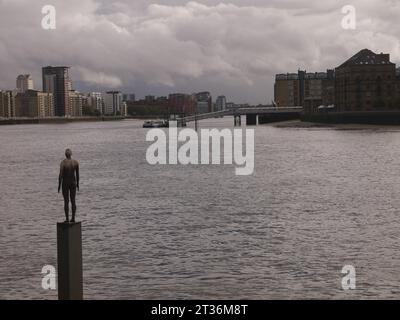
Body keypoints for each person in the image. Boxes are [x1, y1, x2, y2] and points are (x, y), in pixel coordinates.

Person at [58, 149, 79, 223]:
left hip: (65, 183)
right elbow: (77, 175)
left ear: (65, 154)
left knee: (66, 201)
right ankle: (73, 218)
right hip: (73, 182)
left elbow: (60, 175)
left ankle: (67, 218)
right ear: (71, 154)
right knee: (73, 201)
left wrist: (59, 185)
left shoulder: (63, 163)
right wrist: (78, 184)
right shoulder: (75, 162)